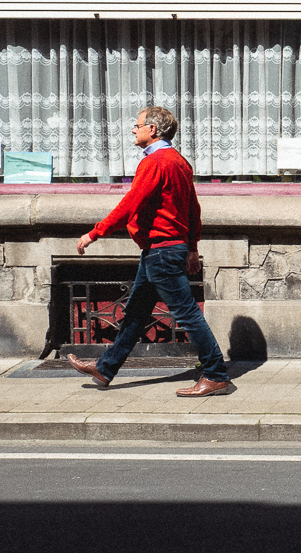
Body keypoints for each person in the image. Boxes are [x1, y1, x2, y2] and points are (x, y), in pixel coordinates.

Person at [66, 106, 234, 398]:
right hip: (164, 250)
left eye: (137, 125)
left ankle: (216, 375)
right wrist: (192, 247)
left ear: (153, 130)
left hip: (162, 251)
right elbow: (193, 210)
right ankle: (105, 369)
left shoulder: (156, 162)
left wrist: (94, 233)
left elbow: (131, 204)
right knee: (136, 313)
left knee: (188, 315)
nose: (134, 129)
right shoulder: (179, 162)